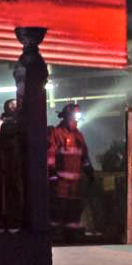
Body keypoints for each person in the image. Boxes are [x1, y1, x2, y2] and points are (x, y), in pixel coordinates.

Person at [47, 102, 94, 242]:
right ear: (66, 116)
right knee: (58, 208)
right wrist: (52, 174)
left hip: (75, 184)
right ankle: (55, 236)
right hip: (60, 181)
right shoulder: (56, 133)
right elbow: (50, 156)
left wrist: (89, 171)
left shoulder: (79, 136)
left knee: (74, 209)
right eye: (73, 116)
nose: (75, 120)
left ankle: (71, 236)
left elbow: (84, 156)